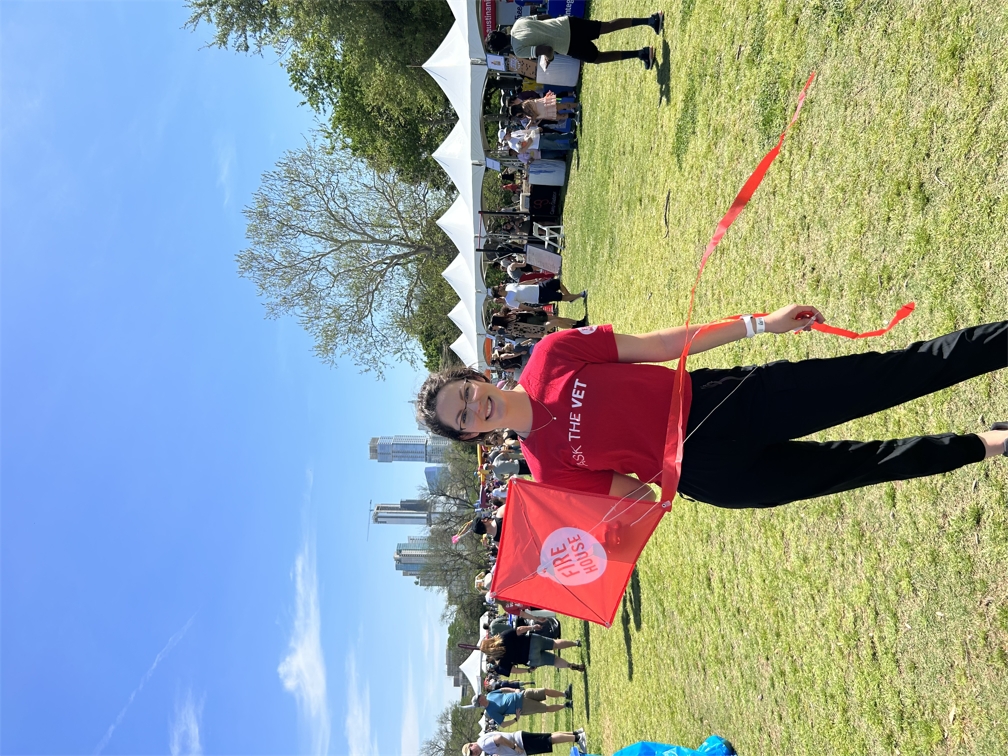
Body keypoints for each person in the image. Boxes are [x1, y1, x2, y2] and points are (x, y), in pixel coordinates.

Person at [416, 307, 1008, 508]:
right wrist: (597, 519)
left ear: (476, 376)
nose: (474, 408)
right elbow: (641, 496)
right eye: (462, 417)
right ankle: (987, 443)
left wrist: (759, 324)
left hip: (725, 402)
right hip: (712, 477)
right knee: (860, 466)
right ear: (470, 439)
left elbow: (662, 345)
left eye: (465, 394)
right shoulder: (545, 470)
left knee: (884, 376)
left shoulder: (551, 355)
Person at [486, 12, 663, 70]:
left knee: (598, 58)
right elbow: (545, 16)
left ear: (502, 49)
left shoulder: (518, 51)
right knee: (606, 26)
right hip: (567, 23)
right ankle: (650, 20)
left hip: (567, 44)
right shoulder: (519, 22)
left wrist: (548, 60)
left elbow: (546, 49)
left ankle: (641, 53)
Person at [479, 624, 584, 672]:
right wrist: (532, 627)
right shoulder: (502, 637)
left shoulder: (499, 661)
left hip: (530, 658)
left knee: (554, 660)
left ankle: (569, 665)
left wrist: (528, 670)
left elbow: (513, 670)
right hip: (532, 641)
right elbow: (519, 630)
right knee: (554, 643)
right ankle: (576, 643)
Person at [471, 685, 572, 727]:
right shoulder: (490, 712)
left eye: (480, 695)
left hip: (521, 694)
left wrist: (514, 690)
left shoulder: (490, 695)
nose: (481, 695)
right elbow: (502, 724)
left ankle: (565, 694)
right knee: (546, 708)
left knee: (544, 690)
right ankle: (566, 705)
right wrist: (515, 719)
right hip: (522, 707)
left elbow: (502, 690)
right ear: (480, 703)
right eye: (479, 697)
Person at [464, 728, 587, 756]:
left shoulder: (483, 744)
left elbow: (498, 739)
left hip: (521, 743)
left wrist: (514, 747)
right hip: (520, 738)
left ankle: (578, 738)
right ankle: (576, 734)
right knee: (549, 737)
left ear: (471, 745)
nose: (474, 754)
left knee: (549, 740)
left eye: (471, 752)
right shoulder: (482, 742)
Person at [492, 281, 585, 309]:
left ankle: (571, 298)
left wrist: (534, 280)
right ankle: (581, 295)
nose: (500, 286)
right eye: (498, 287)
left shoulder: (508, 286)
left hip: (538, 287)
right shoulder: (509, 300)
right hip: (538, 296)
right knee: (560, 297)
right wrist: (533, 309)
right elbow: (522, 306)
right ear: (499, 293)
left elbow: (521, 284)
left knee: (557, 283)